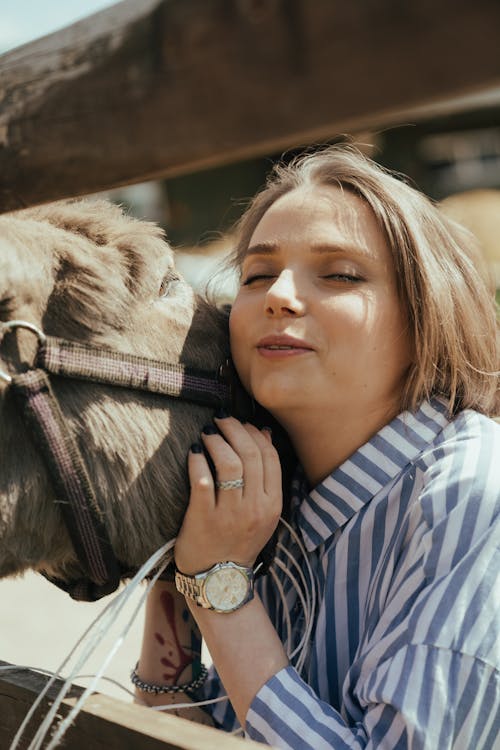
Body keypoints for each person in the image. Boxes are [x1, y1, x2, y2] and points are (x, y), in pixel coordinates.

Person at [133, 146, 500, 748]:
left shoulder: (473, 494)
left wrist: (221, 591)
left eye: (340, 274)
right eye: (255, 275)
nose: (278, 294)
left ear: (427, 314)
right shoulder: (247, 486)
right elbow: (164, 726)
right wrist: (180, 569)